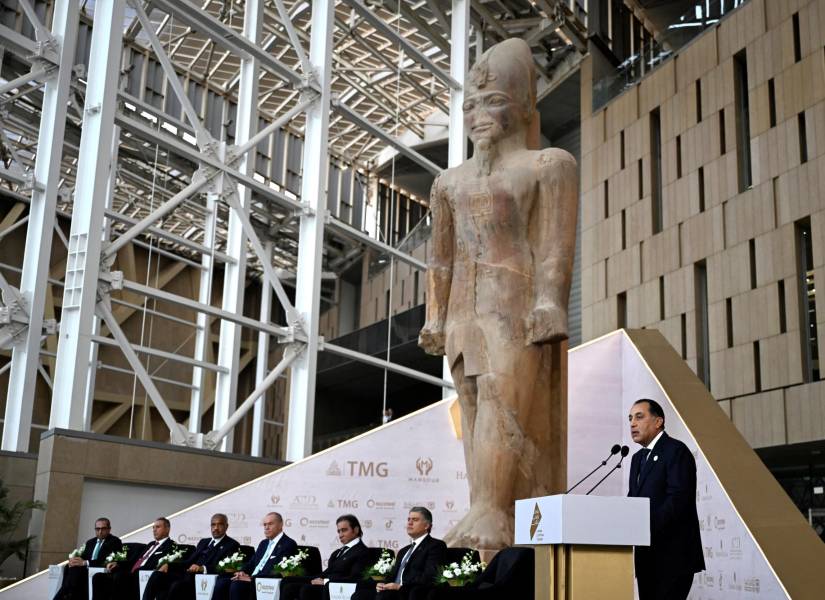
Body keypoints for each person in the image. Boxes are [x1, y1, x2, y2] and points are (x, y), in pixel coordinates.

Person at [418, 37, 577, 550]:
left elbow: (555, 245)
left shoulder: (548, 165)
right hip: (464, 311)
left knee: (502, 401)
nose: (478, 114)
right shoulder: (448, 182)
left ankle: (494, 510)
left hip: (516, 307)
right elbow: (440, 257)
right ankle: (483, 508)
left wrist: (550, 302)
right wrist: (435, 316)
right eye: (470, 105)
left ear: (525, 105)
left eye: (493, 102)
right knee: (472, 404)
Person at [627, 398, 705, 600]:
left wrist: (645, 526)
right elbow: (633, 502)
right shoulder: (637, 459)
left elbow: (678, 500)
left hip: (673, 556)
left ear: (658, 421)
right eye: (630, 419)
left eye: (639, 417)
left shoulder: (675, 451)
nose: (632, 423)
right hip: (646, 557)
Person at [352, 507, 446, 600]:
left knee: (385, 596)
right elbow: (394, 576)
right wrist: (382, 585)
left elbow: (430, 575)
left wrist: (400, 586)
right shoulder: (403, 551)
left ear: (427, 525)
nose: (409, 522)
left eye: (415, 520)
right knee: (359, 595)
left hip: (409, 592)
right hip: (392, 591)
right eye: (408, 519)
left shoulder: (435, 546)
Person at [142, 513, 239, 600]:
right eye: (213, 525)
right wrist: (169, 565)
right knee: (157, 575)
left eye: (220, 524)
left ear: (226, 526)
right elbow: (188, 562)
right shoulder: (203, 542)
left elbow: (226, 568)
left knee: (177, 585)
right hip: (186, 574)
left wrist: (202, 568)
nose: (216, 528)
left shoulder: (231, 544)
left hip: (201, 578)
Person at [281, 514, 372, 600]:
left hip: (337, 588)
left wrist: (326, 582)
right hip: (326, 583)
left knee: (307, 589)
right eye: (338, 531)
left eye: (344, 530)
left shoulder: (363, 552)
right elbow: (326, 572)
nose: (340, 535)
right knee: (287, 581)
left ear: (355, 530)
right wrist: (310, 579)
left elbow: (355, 578)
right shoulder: (337, 552)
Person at [212, 512, 297, 600]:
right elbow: (251, 563)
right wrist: (241, 572)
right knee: (222, 581)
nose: (266, 528)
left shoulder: (288, 544)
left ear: (281, 525)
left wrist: (252, 579)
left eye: (270, 524)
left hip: (263, 583)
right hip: (251, 578)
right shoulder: (263, 543)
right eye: (264, 525)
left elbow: (276, 571)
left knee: (237, 585)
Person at [92, 517, 173, 600]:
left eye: (158, 527)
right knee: (98, 577)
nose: (154, 530)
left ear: (167, 529)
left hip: (143, 576)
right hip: (130, 574)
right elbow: (134, 561)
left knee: (120, 576)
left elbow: (160, 565)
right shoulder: (150, 544)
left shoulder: (171, 546)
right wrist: (117, 563)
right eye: (153, 527)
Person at [53, 517, 122, 600]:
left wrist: (85, 563)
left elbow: (106, 560)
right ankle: (68, 593)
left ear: (109, 529)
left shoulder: (114, 541)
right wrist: (75, 561)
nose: (100, 532)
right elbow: (83, 557)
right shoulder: (90, 542)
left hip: (99, 571)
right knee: (70, 566)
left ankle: (65, 594)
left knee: (74, 574)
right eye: (97, 529)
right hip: (84, 570)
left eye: (103, 529)